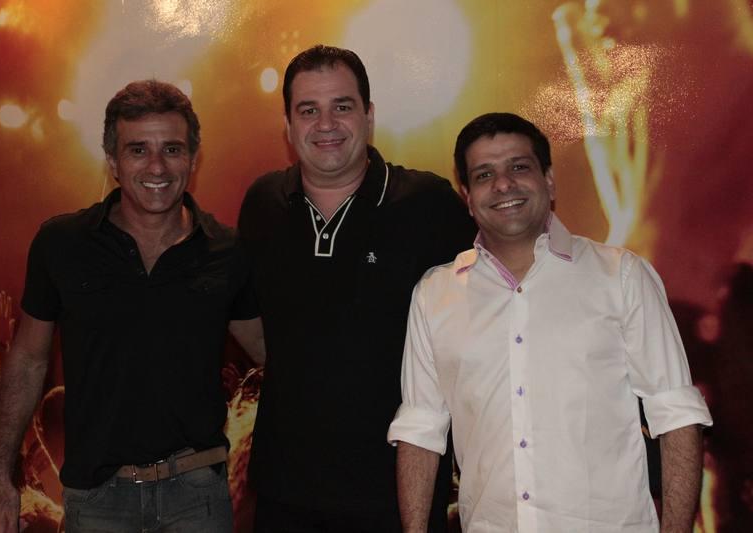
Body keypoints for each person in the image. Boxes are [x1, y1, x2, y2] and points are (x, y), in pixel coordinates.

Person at [388, 112, 713, 532]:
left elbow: (677, 416)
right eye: (484, 175)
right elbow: (420, 432)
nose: (503, 184)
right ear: (467, 196)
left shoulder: (621, 276)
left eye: (518, 167)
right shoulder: (435, 295)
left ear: (550, 180)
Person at [0, 80, 264, 533]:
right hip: (97, 500)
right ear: (113, 161)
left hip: (197, 499)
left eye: (172, 149)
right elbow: (28, 361)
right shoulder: (62, 244)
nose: (157, 166)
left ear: (193, 158)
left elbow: (273, 353)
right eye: (138, 150)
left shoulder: (228, 251)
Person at [238, 45, 476, 532]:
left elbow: (479, 325)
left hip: (398, 491)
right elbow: (254, 326)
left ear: (368, 116)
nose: (326, 124)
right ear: (288, 125)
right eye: (308, 110)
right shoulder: (263, 203)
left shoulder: (428, 204)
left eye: (342, 106)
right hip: (285, 490)